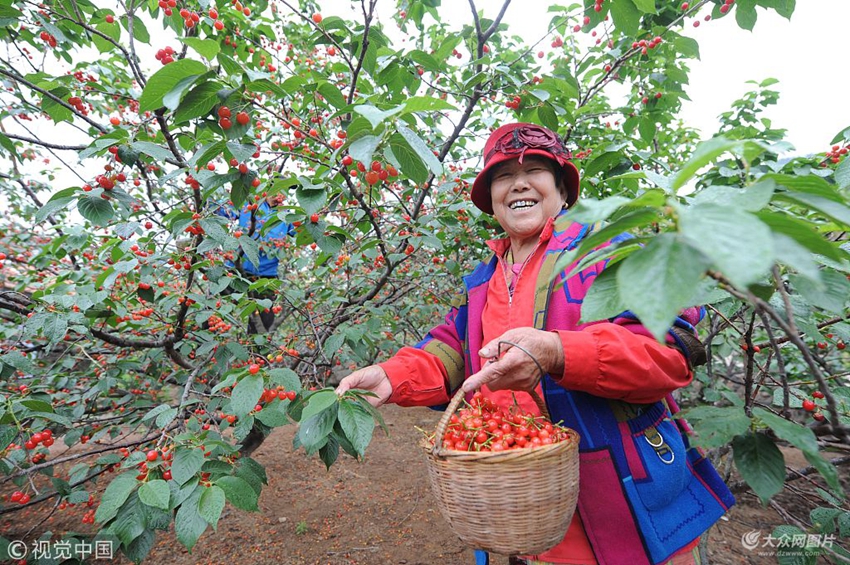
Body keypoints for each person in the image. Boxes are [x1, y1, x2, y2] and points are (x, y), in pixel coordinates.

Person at [335, 122, 734, 565]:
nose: (519, 183)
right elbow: (451, 352)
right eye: (504, 175)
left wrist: (558, 353)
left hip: (624, 506)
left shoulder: (606, 251)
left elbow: (668, 353)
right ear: (491, 200)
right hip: (517, 507)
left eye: (536, 170)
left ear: (562, 191)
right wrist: (392, 376)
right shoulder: (483, 280)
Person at [212, 194, 294, 332]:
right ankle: (202, 340)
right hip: (235, 269)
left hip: (266, 275)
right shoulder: (249, 204)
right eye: (278, 189)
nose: (280, 195)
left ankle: (254, 345)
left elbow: (305, 232)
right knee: (213, 307)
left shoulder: (287, 215)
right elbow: (220, 211)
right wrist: (219, 202)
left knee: (263, 323)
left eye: (285, 190)